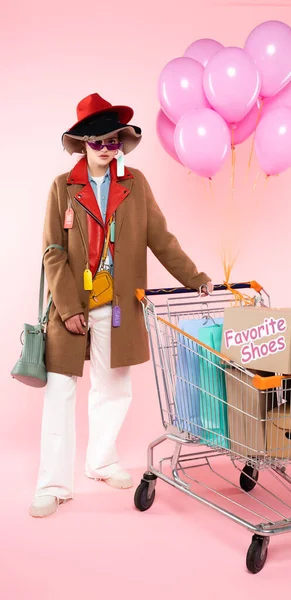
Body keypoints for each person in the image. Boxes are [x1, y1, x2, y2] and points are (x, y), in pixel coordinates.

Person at [30, 93, 213, 518]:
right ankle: (53, 484)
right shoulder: (62, 187)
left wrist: (196, 280)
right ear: (81, 144)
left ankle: (101, 461)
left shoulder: (136, 183)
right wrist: (68, 306)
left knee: (114, 389)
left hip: (117, 307)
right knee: (59, 394)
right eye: (98, 142)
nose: (107, 148)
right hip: (69, 307)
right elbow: (53, 252)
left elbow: (161, 239)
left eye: (114, 140)